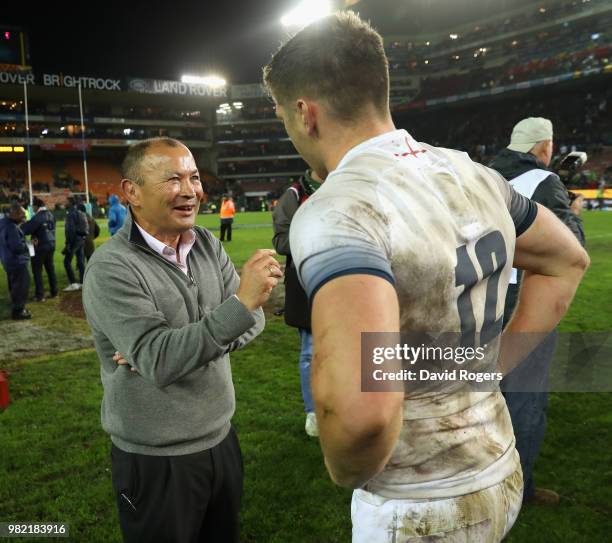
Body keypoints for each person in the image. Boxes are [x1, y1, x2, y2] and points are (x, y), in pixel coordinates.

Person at [263, 12, 589, 542]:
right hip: (499, 467)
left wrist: (347, 471)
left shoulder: (337, 209)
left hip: (417, 504)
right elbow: (567, 261)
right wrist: (491, 367)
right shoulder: (475, 174)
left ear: (305, 113)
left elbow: (362, 412)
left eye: (282, 117)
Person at [82, 137, 282, 543]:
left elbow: (252, 321)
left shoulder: (206, 243)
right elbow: (164, 358)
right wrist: (232, 310)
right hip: (155, 459)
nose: (191, 190)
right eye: (173, 179)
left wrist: (177, 349)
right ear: (131, 192)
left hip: (222, 439)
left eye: (193, 177)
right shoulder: (111, 268)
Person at [490, 117, 586, 506]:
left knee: (480, 394)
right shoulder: (545, 183)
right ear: (544, 147)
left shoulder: (483, 174)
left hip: (478, 300)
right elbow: (571, 250)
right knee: (526, 399)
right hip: (523, 302)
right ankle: (518, 489)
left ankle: (477, 478)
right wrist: (573, 213)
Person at [272, 169, 324, 437]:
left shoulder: (348, 181)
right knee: (310, 351)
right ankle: (313, 412)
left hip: (350, 278)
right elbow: (280, 241)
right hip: (306, 282)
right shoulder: (294, 195)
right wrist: (318, 239)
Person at [21, 197, 58, 302]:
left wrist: (24, 223)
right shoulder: (51, 214)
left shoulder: (38, 217)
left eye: (33, 206)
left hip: (40, 246)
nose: (32, 208)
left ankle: (40, 295)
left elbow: (26, 230)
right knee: (50, 269)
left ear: (36, 206)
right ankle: (54, 291)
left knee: (37, 270)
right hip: (51, 244)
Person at [0, 203, 32, 319]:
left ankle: (15, 306)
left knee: (14, 285)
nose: (24, 219)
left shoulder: (3, 223)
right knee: (21, 286)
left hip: (7, 260)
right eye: (22, 216)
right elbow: (17, 247)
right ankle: (19, 311)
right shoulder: (12, 227)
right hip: (17, 261)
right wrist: (29, 244)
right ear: (15, 214)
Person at [63, 198, 88, 292]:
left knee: (67, 262)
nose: (64, 203)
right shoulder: (80, 212)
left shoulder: (71, 214)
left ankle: (73, 283)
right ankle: (82, 282)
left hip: (74, 240)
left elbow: (70, 230)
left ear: (70, 203)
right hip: (81, 239)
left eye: (66, 202)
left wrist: (68, 243)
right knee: (81, 261)